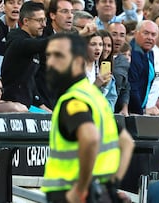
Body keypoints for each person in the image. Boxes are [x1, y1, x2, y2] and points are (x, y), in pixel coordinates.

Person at [41, 33, 134, 203]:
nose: (51, 62)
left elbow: (90, 138)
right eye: (49, 55)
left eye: (59, 56)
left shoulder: (73, 100)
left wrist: (80, 189)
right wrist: (112, 187)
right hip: (99, 193)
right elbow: (127, 143)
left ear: (78, 61)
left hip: (72, 194)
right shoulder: (94, 96)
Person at [1, 1, 52, 112]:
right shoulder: (17, 39)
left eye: (44, 20)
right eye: (39, 20)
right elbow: (41, 44)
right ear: (26, 21)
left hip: (28, 105)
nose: (43, 24)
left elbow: (30, 80)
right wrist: (74, 36)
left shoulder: (34, 43)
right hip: (13, 107)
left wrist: (40, 104)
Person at [128, 20, 159, 114]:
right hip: (131, 111)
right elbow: (132, 88)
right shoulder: (131, 54)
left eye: (153, 35)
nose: (150, 38)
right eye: (146, 33)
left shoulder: (150, 53)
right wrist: (142, 111)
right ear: (136, 33)